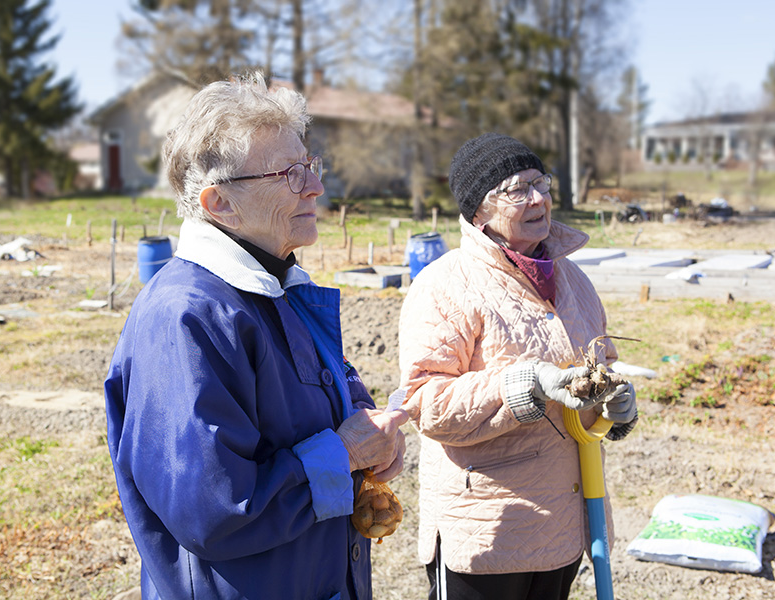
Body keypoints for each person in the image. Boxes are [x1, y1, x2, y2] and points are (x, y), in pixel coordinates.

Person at [104, 73, 409, 600]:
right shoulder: (185, 318)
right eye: (290, 174)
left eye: (310, 166)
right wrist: (344, 454)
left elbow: (312, 408)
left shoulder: (276, 288)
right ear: (219, 202)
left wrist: (369, 433)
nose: (314, 187)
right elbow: (214, 511)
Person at [398, 133, 637, 600]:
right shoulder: (445, 285)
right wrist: (529, 384)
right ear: (478, 212)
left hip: (565, 522)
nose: (538, 198)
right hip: (487, 530)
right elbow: (426, 402)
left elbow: (600, 367)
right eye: (516, 189)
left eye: (541, 183)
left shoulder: (574, 280)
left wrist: (615, 410)